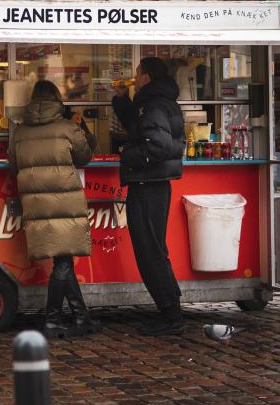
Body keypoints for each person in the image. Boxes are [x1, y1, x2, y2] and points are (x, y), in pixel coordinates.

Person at [10, 79, 96, 338]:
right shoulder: (67, 128)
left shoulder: (20, 132)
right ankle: (52, 319)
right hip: (65, 201)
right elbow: (86, 157)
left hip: (35, 202)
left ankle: (82, 319)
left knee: (63, 258)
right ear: (57, 99)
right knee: (64, 261)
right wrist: (84, 128)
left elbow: (13, 165)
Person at [112, 56, 186, 335]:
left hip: (148, 183)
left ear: (146, 77)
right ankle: (169, 308)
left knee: (150, 250)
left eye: (138, 71)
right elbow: (139, 128)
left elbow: (157, 145)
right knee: (152, 249)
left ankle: (170, 314)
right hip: (153, 182)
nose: (135, 75)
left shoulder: (153, 103)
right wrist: (122, 100)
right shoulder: (155, 101)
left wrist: (127, 156)